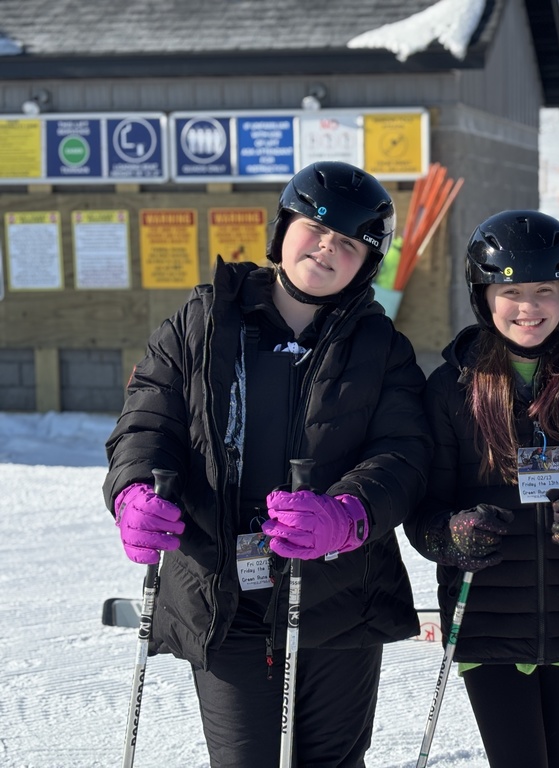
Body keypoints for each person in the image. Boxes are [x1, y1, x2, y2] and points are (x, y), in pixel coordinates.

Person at [103, 161, 432, 768]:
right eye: (316, 226)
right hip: (221, 592)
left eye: (351, 242)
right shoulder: (198, 325)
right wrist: (136, 493)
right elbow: (148, 424)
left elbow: (405, 455)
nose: (328, 247)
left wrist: (348, 514)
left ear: (368, 263)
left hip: (338, 594)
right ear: (283, 229)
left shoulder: (382, 349)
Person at [404, 210, 559, 768]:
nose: (528, 307)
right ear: (484, 295)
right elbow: (424, 511)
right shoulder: (453, 388)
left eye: (543, 290)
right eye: (510, 290)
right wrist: (451, 537)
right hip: (486, 619)